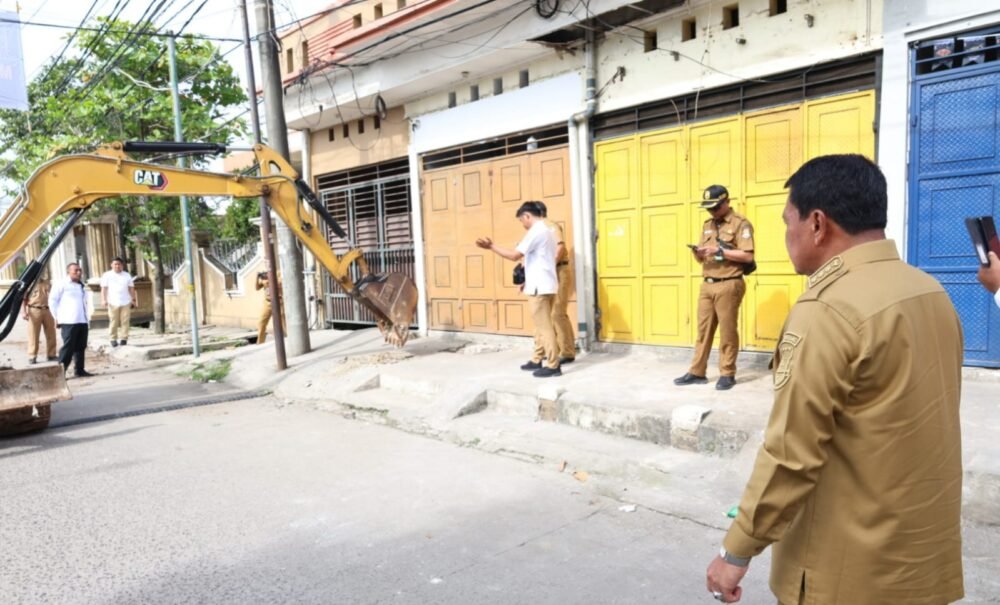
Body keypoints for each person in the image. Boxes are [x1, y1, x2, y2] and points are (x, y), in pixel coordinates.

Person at [705, 155, 964, 605]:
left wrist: (736, 550)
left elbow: (791, 454)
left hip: (848, 571)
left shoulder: (826, 309)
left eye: (789, 222)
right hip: (923, 559)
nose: (786, 236)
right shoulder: (929, 290)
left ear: (818, 224)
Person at [674, 185, 755, 390]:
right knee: (703, 331)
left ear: (727, 202)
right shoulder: (707, 224)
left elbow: (747, 255)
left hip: (729, 283)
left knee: (727, 331)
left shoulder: (741, 224)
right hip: (707, 283)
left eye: (716, 207)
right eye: (709, 208)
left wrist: (721, 251)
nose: (712, 212)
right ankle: (697, 372)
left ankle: (727, 373)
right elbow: (704, 258)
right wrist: (699, 253)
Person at [476, 201, 561, 377]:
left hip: (540, 287)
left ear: (527, 216)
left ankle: (553, 365)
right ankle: (538, 359)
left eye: (522, 220)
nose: (522, 224)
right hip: (546, 283)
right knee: (541, 326)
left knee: (544, 328)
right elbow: (540, 259)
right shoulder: (549, 231)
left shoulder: (536, 231)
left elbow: (515, 255)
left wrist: (491, 247)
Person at [535, 201, 575, 364]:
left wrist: (549, 266)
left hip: (558, 270)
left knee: (557, 313)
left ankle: (567, 352)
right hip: (549, 271)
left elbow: (560, 247)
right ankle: (552, 349)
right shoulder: (538, 230)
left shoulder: (551, 226)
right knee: (546, 313)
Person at [50, 262, 94, 378]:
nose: (79, 273)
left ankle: (79, 370)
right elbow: (52, 301)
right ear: (68, 272)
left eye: (80, 270)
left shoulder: (81, 285)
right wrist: (56, 317)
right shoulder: (61, 284)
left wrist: (88, 317)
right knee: (68, 347)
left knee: (80, 346)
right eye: (76, 270)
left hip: (82, 320)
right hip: (68, 320)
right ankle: (60, 373)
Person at [20, 270, 57, 364]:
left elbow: (53, 297)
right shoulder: (29, 285)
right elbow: (23, 299)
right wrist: (24, 312)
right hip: (34, 309)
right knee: (33, 334)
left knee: (51, 333)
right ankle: (32, 356)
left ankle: (51, 354)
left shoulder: (47, 283)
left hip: (48, 309)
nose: (39, 275)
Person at [100, 256, 137, 346]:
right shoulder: (107, 275)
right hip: (112, 302)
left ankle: (124, 338)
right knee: (113, 320)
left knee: (125, 321)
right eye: (115, 264)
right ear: (111, 265)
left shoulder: (126, 275)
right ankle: (113, 338)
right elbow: (104, 289)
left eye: (119, 264)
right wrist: (103, 300)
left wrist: (133, 299)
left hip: (125, 301)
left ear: (122, 265)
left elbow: (131, 288)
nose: (117, 266)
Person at [255, 270, 284, 344]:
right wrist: (257, 277)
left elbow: (279, 283)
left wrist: (269, 280)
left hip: (278, 302)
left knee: (283, 321)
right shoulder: (265, 277)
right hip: (267, 303)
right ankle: (260, 342)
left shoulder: (278, 274)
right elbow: (257, 288)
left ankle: (288, 338)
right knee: (261, 322)